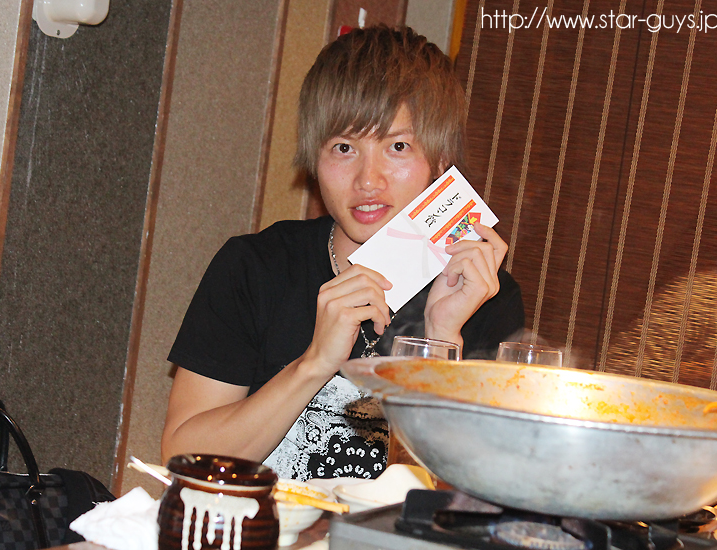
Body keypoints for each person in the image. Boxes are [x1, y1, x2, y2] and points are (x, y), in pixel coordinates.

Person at [161, 25, 524, 481]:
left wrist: (441, 339)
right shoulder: (255, 266)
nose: (368, 180)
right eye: (344, 147)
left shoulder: (483, 293)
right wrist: (313, 364)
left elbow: (479, 488)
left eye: (397, 146)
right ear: (314, 158)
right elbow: (182, 459)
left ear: (439, 159)